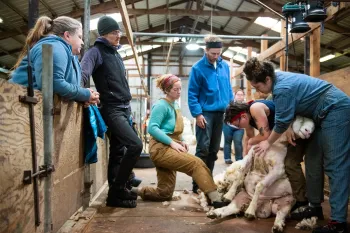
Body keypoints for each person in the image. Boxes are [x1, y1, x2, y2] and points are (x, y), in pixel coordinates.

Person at [244, 57, 350, 233]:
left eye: (258, 87)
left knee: (335, 164)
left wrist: (267, 142)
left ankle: (338, 223)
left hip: (335, 109)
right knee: (313, 159)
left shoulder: (283, 87)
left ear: (267, 80)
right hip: (318, 115)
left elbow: (282, 122)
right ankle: (314, 206)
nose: (258, 92)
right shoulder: (277, 83)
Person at [134, 74, 228, 208]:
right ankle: (215, 198)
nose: (179, 92)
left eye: (180, 89)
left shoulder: (175, 106)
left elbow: (174, 129)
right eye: (175, 89)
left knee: (164, 193)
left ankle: (134, 191)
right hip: (160, 149)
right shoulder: (161, 105)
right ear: (167, 90)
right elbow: (152, 128)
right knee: (196, 163)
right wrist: (172, 142)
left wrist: (181, 140)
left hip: (171, 145)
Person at [81, 16, 142, 208]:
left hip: (124, 108)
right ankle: (118, 189)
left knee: (118, 151)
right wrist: (84, 93)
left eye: (119, 32)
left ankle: (116, 195)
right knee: (135, 145)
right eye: (115, 32)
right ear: (104, 33)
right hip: (111, 108)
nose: (119, 35)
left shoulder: (116, 54)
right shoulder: (95, 52)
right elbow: (83, 73)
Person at [224, 99, 310, 213]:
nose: (239, 128)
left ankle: (302, 201)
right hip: (278, 136)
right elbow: (249, 137)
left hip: (293, 132)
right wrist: (246, 152)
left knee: (290, 164)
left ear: (243, 116)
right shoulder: (248, 117)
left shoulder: (255, 109)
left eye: (238, 125)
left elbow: (265, 135)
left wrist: (251, 142)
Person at [9, 16, 99, 105]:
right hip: (18, 105)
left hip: (35, 108)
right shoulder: (55, 47)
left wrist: (83, 97)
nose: (82, 42)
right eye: (79, 37)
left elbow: (70, 88)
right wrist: (85, 94)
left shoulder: (71, 55)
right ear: (67, 35)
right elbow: (52, 83)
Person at [188, 35, 233, 193]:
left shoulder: (225, 66)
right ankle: (197, 184)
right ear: (206, 50)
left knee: (214, 150)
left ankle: (208, 180)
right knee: (203, 149)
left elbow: (228, 89)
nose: (216, 56)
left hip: (221, 113)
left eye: (219, 53)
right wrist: (198, 114)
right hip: (205, 113)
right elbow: (192, 94)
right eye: (213, 53)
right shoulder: (198, 68)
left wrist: (231, 108)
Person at [222, 89, 245, 164]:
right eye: (238, 94)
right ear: (235, 95)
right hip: (228, 126)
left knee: (238, 142)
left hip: (239, 128)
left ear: (243, 96)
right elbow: (225, 114)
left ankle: (239, 159)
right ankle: (227, 158)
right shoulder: (230, 104)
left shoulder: (246, 106)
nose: (239, 96)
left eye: (241, 95)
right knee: (227, 142)